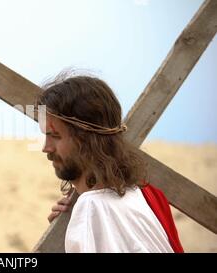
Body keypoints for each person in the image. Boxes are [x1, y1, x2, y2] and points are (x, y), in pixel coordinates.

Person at [36, 72, 183, 253]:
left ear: (85, 139)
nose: (46, 147)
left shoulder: (93, 207)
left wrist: (86, 221)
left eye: (55, 136)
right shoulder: (142, 196)